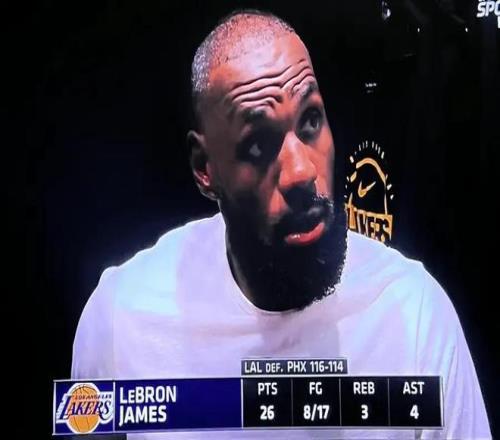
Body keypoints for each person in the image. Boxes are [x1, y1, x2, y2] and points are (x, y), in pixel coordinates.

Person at [72, 9, 491, 439]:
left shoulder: (413, 313)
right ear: (204, 167)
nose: (301, 173)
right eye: (257, 145)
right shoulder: (121, 319)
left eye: (310, 122)